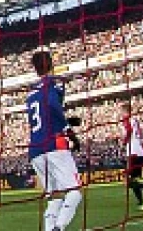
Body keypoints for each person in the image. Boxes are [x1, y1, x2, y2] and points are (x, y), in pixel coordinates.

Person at [27, 51, 83, 231]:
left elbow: (44, 116)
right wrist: (71, 133)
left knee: (55, 196)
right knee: (75, 192)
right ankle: (59, 227)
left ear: (34, 68)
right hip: (54, 145)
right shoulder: (52, 85)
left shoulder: (30, 94)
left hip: (35, 149)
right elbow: (52, 106)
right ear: (51, 63)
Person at [121, 102, 143, 210]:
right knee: (134, 179)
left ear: (125, 111)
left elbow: (129, 131)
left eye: (122, 111)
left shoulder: (127, 120)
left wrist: (124, 141)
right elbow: (140, 134)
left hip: (133, 152)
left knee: (127, 180)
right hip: (140, 151)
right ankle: (141, 200)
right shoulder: (135, 120)